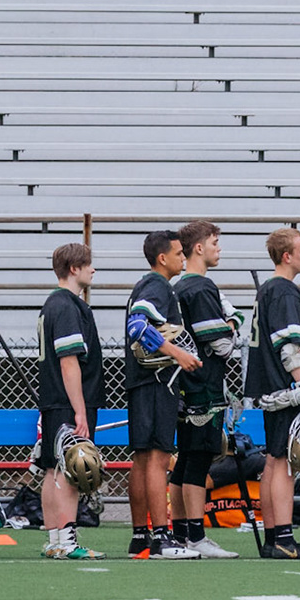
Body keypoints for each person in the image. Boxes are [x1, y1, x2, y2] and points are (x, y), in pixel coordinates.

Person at [244, 227, 300, 560]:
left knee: (274, 460)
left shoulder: (271, 290)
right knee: (285, 464)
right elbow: (289, 348)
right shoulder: (284, 292)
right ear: (286, 256)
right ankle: (284, 538)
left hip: (272, 388)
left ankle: (273, 537)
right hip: (286, 390)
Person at [124, 229, 202, 560]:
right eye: (179, 253)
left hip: (143, 383)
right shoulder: (157, 285)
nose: (183, 258)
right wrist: (177, 353)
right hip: (157, 382)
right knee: (156, 459)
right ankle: (161, 537)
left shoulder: (147, 285)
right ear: (162, 257)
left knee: (143, 459)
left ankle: (140, 537)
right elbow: (137, 326)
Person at [169, 220, 241, 559]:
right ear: (198, 248)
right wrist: (232, 325)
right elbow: (223, 345)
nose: (218, 249)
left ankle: (180, 533)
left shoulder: (179, 287)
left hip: (185, 386)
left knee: (185, 460)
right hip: (204, 387)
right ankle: (196, 536)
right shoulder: (200, 288)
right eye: (214, 243)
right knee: (197, 461)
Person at [34, 241, 105, 560]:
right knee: (71, 467)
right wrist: (80, 410)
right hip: (67, 400)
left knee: (53, 468)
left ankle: (55, 540)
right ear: (74, 268)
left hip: (54, 399)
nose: (93, 269)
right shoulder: (66, 305)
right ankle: (67, 540)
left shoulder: (54, 303)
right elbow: (69, 361)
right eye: (88, 264)